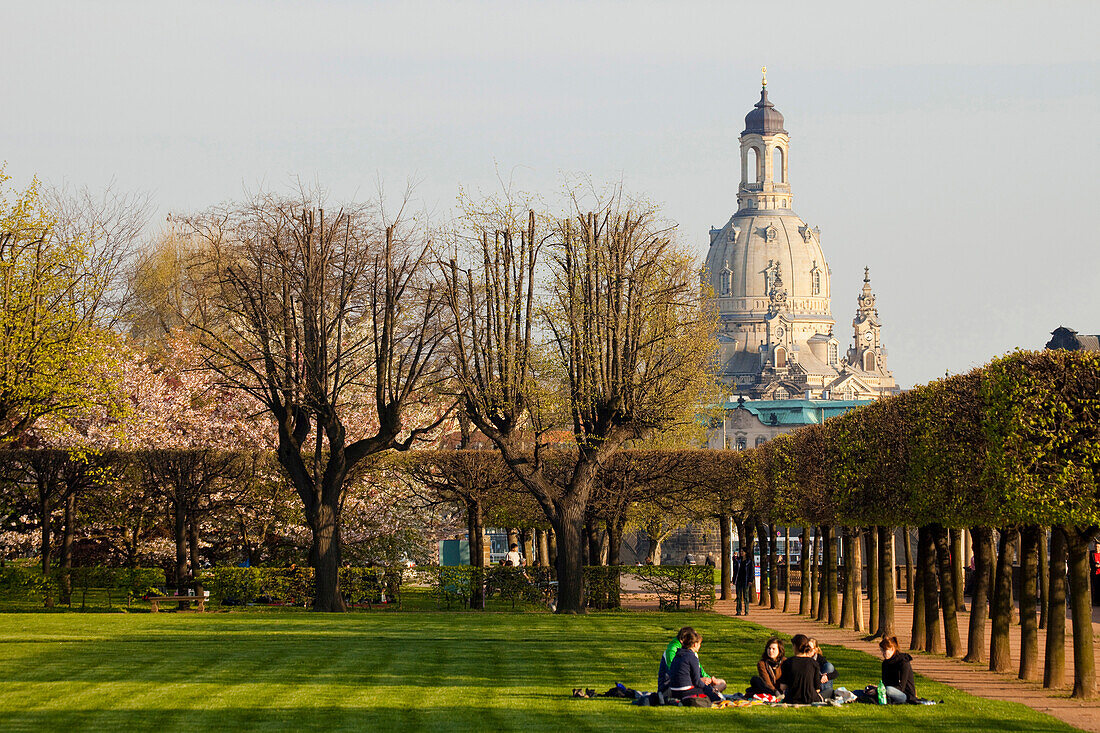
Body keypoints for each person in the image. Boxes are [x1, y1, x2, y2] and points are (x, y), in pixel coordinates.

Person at [658, 627, 727, 695]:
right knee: (709, 691)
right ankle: (713, 694)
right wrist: (701, 681)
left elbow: (699, 671)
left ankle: (713, 693)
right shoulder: (673, 652)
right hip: (673, 687)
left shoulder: (690, 653)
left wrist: (710, 680)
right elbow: (677, 674)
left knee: (722, 683)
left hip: (691, 684)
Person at [779, 634, 822, 704]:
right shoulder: (814, 663)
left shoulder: (787, 663)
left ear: (795, 646)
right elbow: (817, 689)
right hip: (811, 698)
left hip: (792, 698)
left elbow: (783, 687)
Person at [878, 636, 917, 704]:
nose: (883, 653)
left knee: (887, 690)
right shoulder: (885, 663)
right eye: (882, 651)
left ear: (892, 649)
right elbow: (885, 682)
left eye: (885, 650)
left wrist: (883, 690)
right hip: (889, 690)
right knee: (868, 689)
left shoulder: (903, 662)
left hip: (904, 695)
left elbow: (902, 687)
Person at [733, 548, 753, 616]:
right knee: (738, 596)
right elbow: (735, 571)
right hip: (739, 580)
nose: (741, 553)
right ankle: (738, 611)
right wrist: (734, 579)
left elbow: (751, 571)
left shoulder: (749, 561)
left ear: (746, 553)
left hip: (746, 581)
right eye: (740, 551)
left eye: (742, 551)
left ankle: (746, 611)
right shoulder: (738, 560)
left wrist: (750, 580)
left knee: (746, 596)